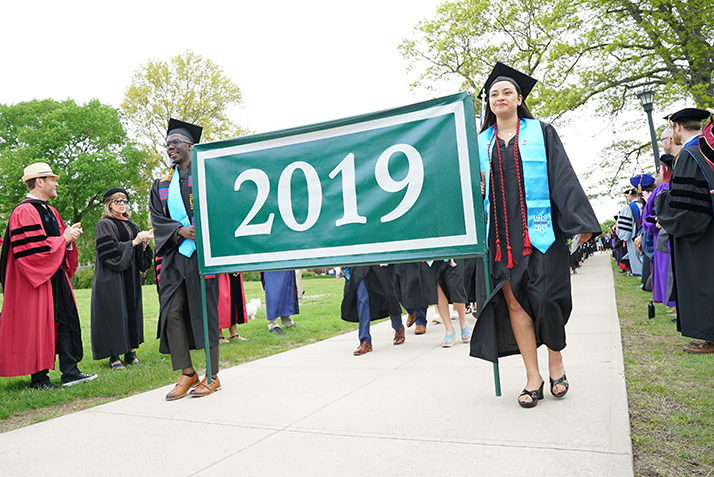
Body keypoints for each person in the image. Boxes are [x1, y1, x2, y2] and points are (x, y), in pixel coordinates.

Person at [469, 63, 600, 408]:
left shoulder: (541, 133)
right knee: (516, 304)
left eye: (506, 92)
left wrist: (580, 220)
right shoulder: (478, 144)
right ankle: (533, 376)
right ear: (489, 103)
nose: (499, 98)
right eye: (493, 94)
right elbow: (466, 192)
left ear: (519, 98)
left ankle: (556, 362)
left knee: (547, 300)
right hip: (499, 238)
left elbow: (562, 175)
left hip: (542, 235)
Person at [0, 162, 98, 389]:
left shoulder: (50, 211)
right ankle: (39, 379)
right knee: (38, 325)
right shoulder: (24, 211)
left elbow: (59, 243)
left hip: (55, 275)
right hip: (37, 279)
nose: (56, 183)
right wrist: (64, 239)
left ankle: (70, 372)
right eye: (52, 179)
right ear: (39, 181)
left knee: (64, 321)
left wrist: (69, 241)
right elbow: (32, 251)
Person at [150, 118, 221, 399]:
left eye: (176, 143)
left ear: (190, 145)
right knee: (172, 312)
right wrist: (179, 230)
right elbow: (157, 220)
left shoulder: (206, 177)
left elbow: (219, 209)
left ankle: (213, 375)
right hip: (174, 256)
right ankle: (188, 372)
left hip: (202, 256)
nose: (171, 148)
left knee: (206, 312)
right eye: (168, 144)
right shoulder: (160, 186)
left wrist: (200, 231)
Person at [655, 108, 714, 354]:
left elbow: (683, 201)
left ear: (678, 127)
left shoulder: (689, 153)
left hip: (697, 233)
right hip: (707, 226)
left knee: (701, 281)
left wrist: (661, 203)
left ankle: (706, 336)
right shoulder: (705, 149)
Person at [90, 188, 154, 370]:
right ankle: (114, 356)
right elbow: (108, 252)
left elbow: (141, 261)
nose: (122, 204)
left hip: (130, 276)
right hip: (111, 276)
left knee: (131, 311)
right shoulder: (104, 224)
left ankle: (131, 352)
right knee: (114, 313)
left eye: (124, 201)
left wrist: (143, 244)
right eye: (117, 201)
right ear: (109, 203)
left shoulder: (132, 225)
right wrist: (134, 242)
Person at [340, 265, 404, 354]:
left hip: (378, 260)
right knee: (362, 299)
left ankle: (398, 327)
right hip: (359, 263)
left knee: (388, 295)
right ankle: (365, 341)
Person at [393, 261, 437, 335]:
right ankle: (411, 311)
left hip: (415, 255)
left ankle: (420, 321)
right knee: (395, 287)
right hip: (398, 254)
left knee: (417, 285)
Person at [218, 273, 248, 343]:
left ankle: (234, 334)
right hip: (219, 269)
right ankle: (219, 335)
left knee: (233, 298)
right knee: (221, 300)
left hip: (231, 269)